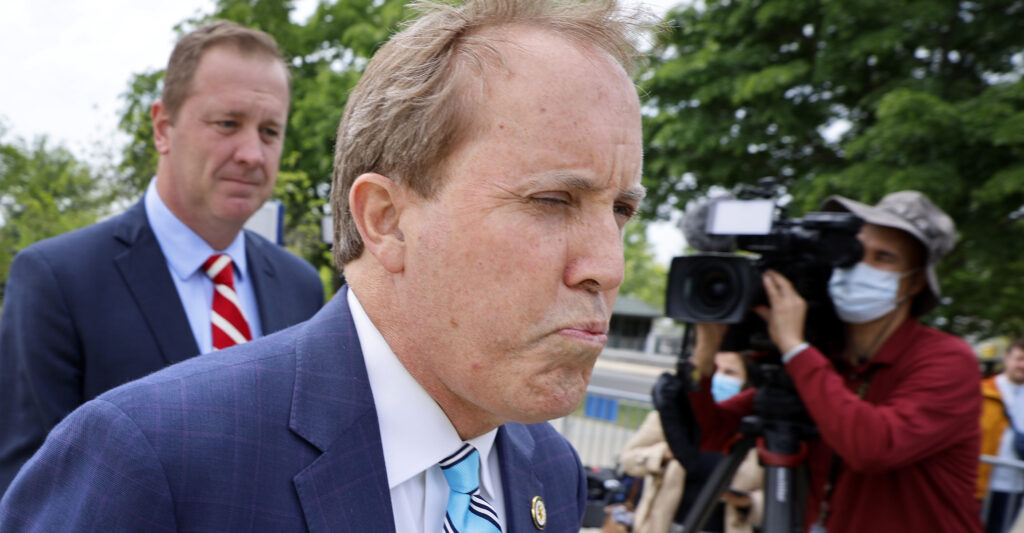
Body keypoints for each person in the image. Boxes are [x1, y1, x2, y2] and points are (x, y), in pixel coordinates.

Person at [0, 0, 649, 530]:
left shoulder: (552, 471)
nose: (608, 266)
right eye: (553, 200)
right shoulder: (142, 459)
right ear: (386, 219)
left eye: (620, 209)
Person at [0, 21, 324, 494]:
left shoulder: (300, 285)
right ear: (162, 128)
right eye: (228, 123)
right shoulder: (57, 280)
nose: (252, 153)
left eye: (270, 131)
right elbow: (28, 490)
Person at [684, 191, 982, 532]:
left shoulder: (948, 360)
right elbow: (710, 433)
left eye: (883, 257)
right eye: (852, 254)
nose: (861, 267)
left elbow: (873, 446)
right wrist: (706, 351)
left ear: (914, 281)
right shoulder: (827, 360)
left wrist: (795, 348)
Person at [622, 348, 761, 533]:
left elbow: (782, 496)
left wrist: (748, 502)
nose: (719, 377)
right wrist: (664, 453)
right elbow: (629, 460)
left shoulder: (757, 429)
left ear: (747, 381)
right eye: (714, 369)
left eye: (730, 372)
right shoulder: (672, 417)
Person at [979, 338, 1024, 532]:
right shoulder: (981, 390)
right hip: (979, 483)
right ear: (1006, 358)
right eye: (1019, 358)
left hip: (1014, 486)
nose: (1022, 365)